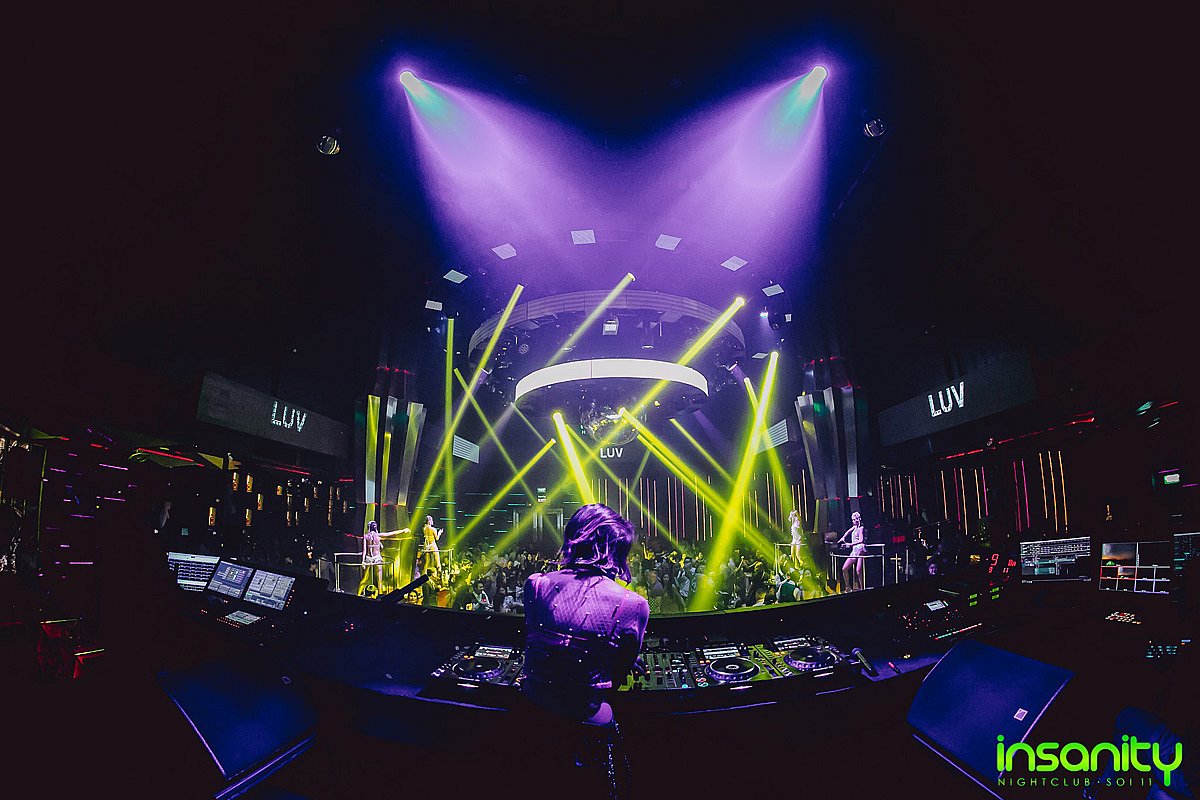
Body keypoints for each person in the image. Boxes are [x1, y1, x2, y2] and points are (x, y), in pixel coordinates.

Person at [522, 503, 650, 727]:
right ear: (618, 551)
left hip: (530, 710)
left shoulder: (536, 584)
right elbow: (617, 675)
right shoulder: (634, 605)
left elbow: (537, 640)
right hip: (587, 718)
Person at [355, 520, 410, 597]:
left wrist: (363, 561)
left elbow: (364, 550)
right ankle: (379, 596)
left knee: (365, 578)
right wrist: (403, 530)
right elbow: (391, 533)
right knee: (379, 580)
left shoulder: (366, 536)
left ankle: (358, 595)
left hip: (369, 557)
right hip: (376, 557)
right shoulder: (378, 535)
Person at [837, 511, 867, 592]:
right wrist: (843, 537)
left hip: (860, 549)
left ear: (858, 519)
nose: (853, 521)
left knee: (858, 570)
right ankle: (848, 587)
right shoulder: (854, 527)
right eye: (852, 520)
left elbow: (861, 540)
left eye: (854, 520)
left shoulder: (861, 528)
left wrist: (850, 544)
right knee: (844, 568)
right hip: (854, 550)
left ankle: (862, 588)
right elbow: (848, 532)